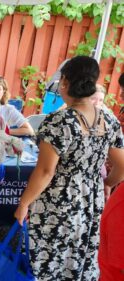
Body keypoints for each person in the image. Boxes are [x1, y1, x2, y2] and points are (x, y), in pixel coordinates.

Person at [14, 56, 124, 281]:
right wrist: (106, 184)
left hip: (58, 203)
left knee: (51, 260)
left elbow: (45, 172)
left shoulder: (59, 122)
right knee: (79, 260)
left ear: (64, 82)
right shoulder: (108, 119)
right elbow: (122, 165)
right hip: (91, 201)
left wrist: (24, 203)